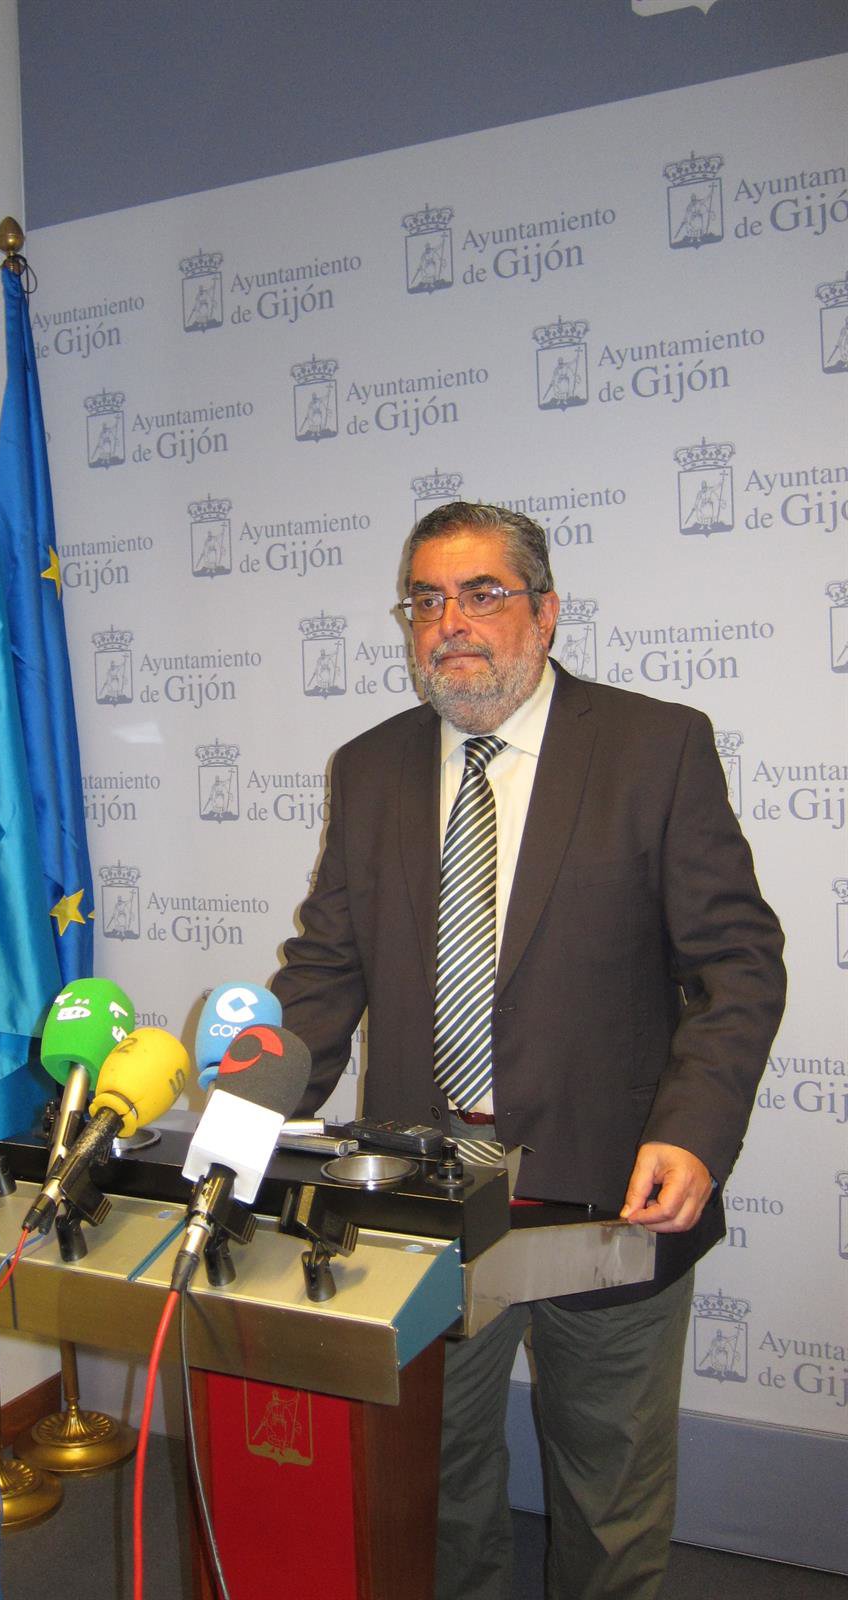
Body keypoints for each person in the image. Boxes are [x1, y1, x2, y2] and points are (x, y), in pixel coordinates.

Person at [271, 500, 785, 1600]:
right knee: (439, 1481)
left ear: (546, 613)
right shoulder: (368, 768)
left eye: (482, 594)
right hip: (424, 1200)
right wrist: (247, 1116)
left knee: (608, 1494)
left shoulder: (655, 747)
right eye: (425, 601)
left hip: (613, 1190)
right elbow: (323, 972)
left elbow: (738, 965)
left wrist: (694, 1134)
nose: (449, 623)